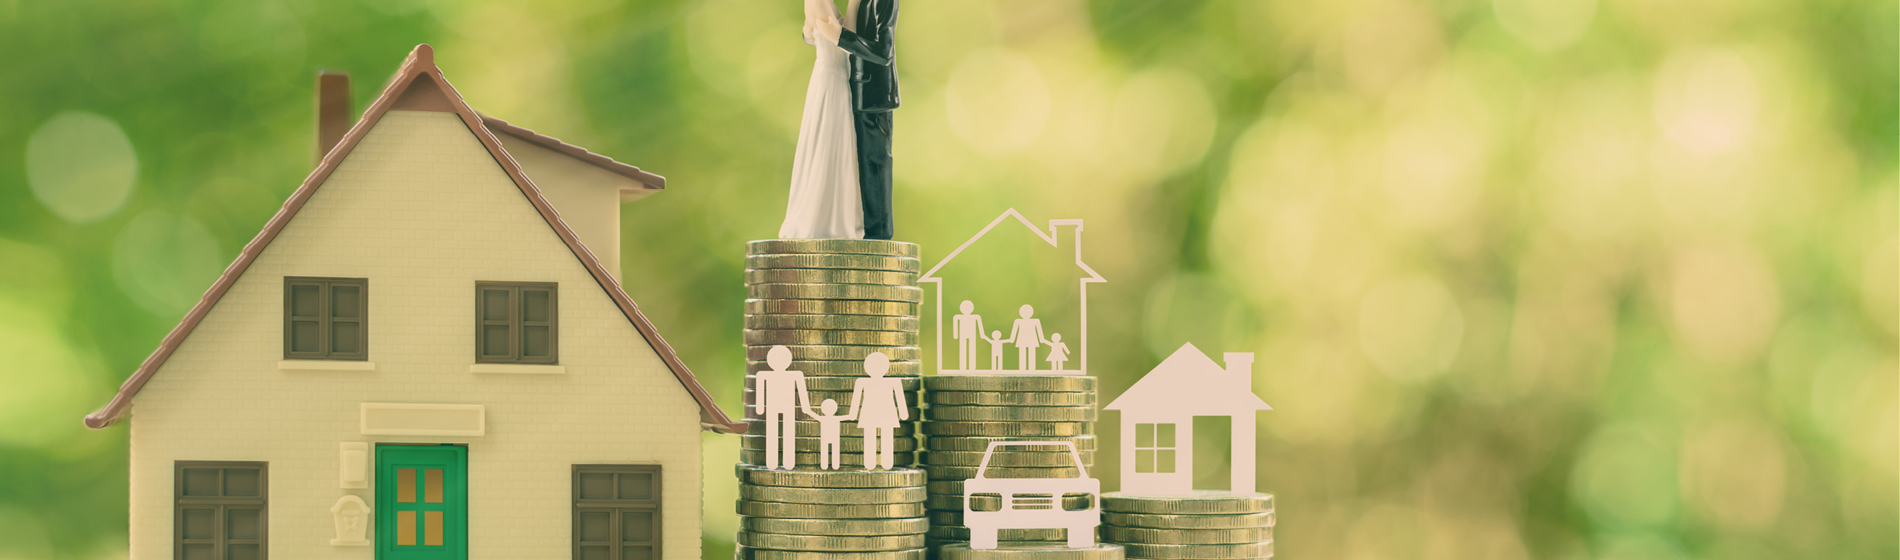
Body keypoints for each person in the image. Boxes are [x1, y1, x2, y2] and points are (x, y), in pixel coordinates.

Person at [809, 0, 898, 239]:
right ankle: (862, 228)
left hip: (873, 94)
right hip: (850, 90)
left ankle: (878, 234)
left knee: (874, 164)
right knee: (855, 164)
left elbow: (883, 53)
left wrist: (840, 38)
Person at [778, 0, 863, 239]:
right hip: (832, 79)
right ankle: (824, 218)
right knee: (828, 141)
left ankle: (836, 214)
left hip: (835, 76)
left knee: (838, 143)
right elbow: (846, 43)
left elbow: (808, 35)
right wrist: (854, 6)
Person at [752, 345, 814, 470]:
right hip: (773, 406)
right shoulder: (763, 375)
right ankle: (772, 462)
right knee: (772, 433)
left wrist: (806, 407)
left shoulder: (796, 375)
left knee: (788, 433)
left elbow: (802, 391)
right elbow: (759, 390)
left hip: (787, 406)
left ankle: (788, 462)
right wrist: (759, 407)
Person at [847, 352, 909, 469]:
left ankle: (886, 462)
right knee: (871, 437)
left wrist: (903, 413)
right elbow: (856, 399)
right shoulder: (862, 382)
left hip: (884, 413)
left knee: (886, 437)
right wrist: (853, 413)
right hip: (872, 413)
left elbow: (900, 398)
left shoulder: (893, 382)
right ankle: (870, 462)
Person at [804, 398, 852, 470]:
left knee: (825, 450)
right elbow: (849, 417)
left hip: (825, 437)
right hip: (833, 437)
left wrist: (808, 410)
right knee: (834, 450)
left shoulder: (823, 418)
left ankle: (825, 465)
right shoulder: (836, 419)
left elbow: (813, 414)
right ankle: (834, 465)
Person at [1007, 304, 1050, 371]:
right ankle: (1022, 369)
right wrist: (1011, 339)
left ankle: (1032, 369)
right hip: (1022, 340)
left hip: (1032, 340)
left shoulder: (1035, 321)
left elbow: (1039, 331)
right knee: (1022, 354)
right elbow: (1014, 332)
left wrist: (1042, 339)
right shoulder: (1018, 321)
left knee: (1031, 354)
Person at [951, 300, 984, 370]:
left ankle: (972, 366)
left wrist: (982, 334)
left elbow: (980, 325)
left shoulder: (975, 317)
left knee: (972, 350)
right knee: (963, 350)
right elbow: (955, 322)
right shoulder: (958, 317)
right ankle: (963, 367)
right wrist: (955, 334)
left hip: (971, 334)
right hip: (963, 334)